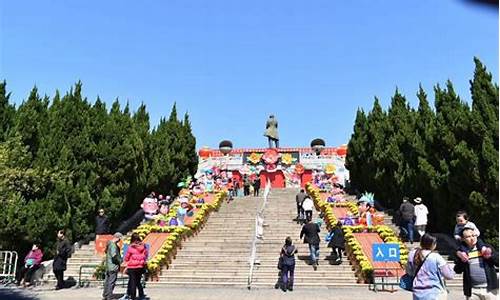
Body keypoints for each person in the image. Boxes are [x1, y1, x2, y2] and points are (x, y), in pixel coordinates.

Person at [406, 233, 455, 300]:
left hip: (417, 294)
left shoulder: (412, 254)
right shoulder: (436, 257)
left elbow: (409, 272)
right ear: (433, 244)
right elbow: (449, 275)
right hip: (434, 293)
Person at [454, 227, 498, 299]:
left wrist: (490, 256)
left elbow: (498, 262)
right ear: (463, 239)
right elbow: (457, 270)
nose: (472, 238)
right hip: (472, 291)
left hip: (490, 289)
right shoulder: (461, 252)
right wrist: (462, 260)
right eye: (468, 236)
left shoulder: (486, 247)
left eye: (473, 235)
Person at [124, 233, 148, 300]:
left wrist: (126, 261)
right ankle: (141, 295)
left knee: (133, 282)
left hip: (132, 267)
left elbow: (127, 258)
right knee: (138, 282)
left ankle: (133, 297)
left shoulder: (131, 247)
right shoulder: (144, 246)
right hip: (140, 267)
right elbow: (145, 256)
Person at [102, 232, 123, 300]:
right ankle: (109, 296)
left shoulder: (109, 243)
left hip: (108, 265)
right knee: (111, 282)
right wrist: (119, 261)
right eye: (120, 239)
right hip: (113, 266)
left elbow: (106, 251)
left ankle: (105, 294)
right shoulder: (113, 245)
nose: (120, 240)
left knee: (107, 281)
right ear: (118, 238)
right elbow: (114, 255)